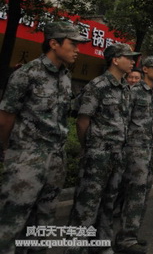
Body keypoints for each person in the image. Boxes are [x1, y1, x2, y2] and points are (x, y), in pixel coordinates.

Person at [0, 22, 89, 253]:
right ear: (53, 43)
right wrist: (6, 148)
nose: (78, 49)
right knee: (12, 220)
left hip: (56, 159)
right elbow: (6, 115)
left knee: (44, 222)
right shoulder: (27, 74)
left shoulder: (66, 76)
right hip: (27, 158)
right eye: (73, 44)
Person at [67, 42, 139, 253]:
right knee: (86, 207)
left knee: (108, 204)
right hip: (97, 155)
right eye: (129, 57)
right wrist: (89, 148)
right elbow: (83, 121)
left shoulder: (125, 87)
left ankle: (101, 245)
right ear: (115, 59)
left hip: (116, 156)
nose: (133, 61)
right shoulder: (98, 85)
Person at [115, 56, 153, 254]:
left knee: (143, 194)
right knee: (134, 193)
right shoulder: (133, 92)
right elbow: (124, 121)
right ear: (145, 69)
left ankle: (132, 234)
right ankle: (125, 239)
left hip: (148, 150)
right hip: (134, 150)